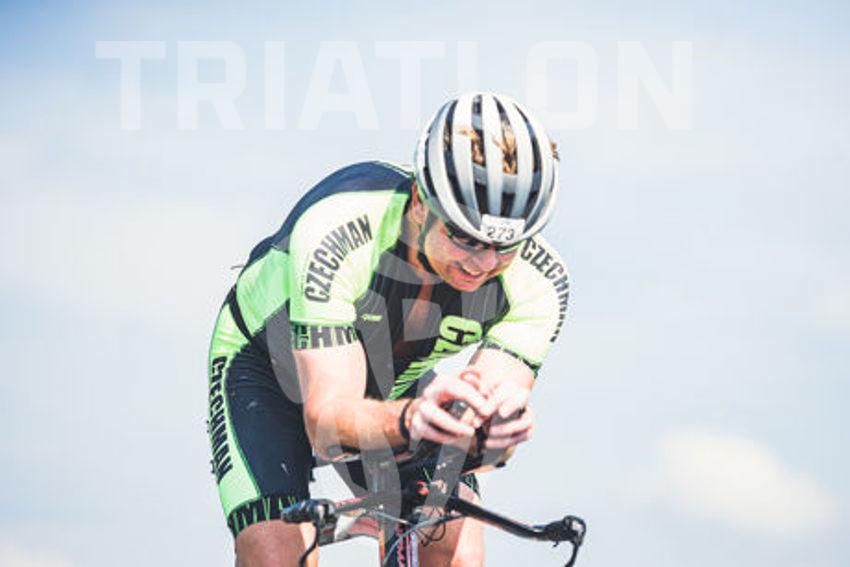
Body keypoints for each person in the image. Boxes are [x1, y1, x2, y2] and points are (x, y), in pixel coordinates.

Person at [206, 91, 570, 566]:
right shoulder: (340, 230)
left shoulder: (539, 283)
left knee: (453, 542)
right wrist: (409, 422)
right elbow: (327, 423)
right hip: (265, 370)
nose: (483, 263)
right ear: (420, 201)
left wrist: (492, 440)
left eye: (506, 246)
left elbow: (481, 441)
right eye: (464, 236)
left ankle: (378, 515)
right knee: (274, 551)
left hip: (393, 382)